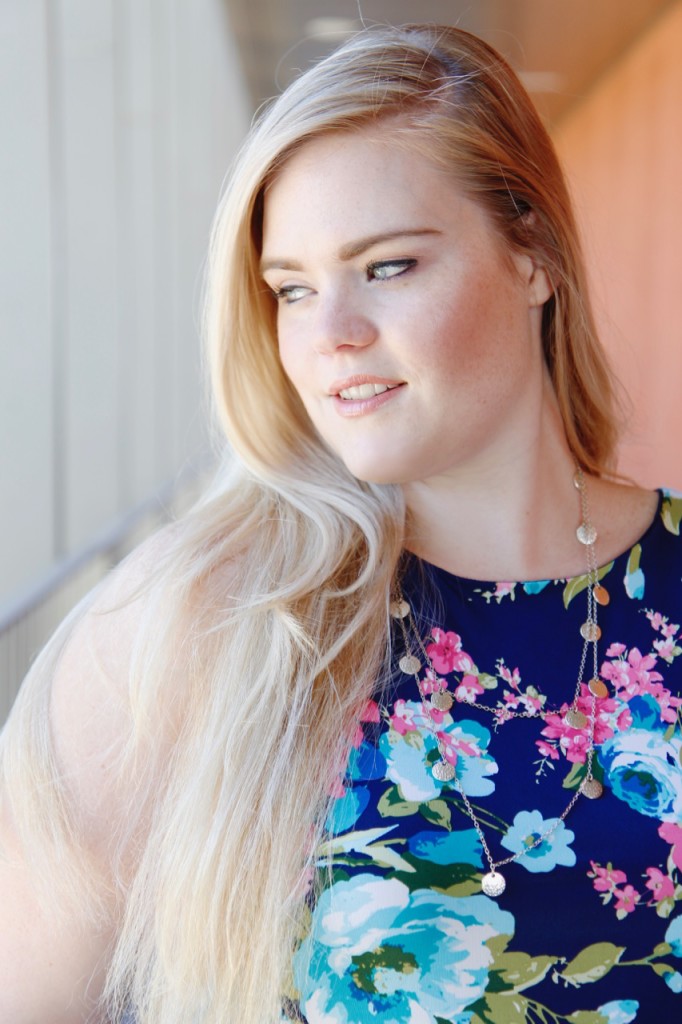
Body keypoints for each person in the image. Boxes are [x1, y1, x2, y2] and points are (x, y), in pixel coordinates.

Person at [1, 22, 681, 1024]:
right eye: (290, 289)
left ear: (531, 255)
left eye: (388, 266)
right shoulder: (209, 616)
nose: (329, 336)